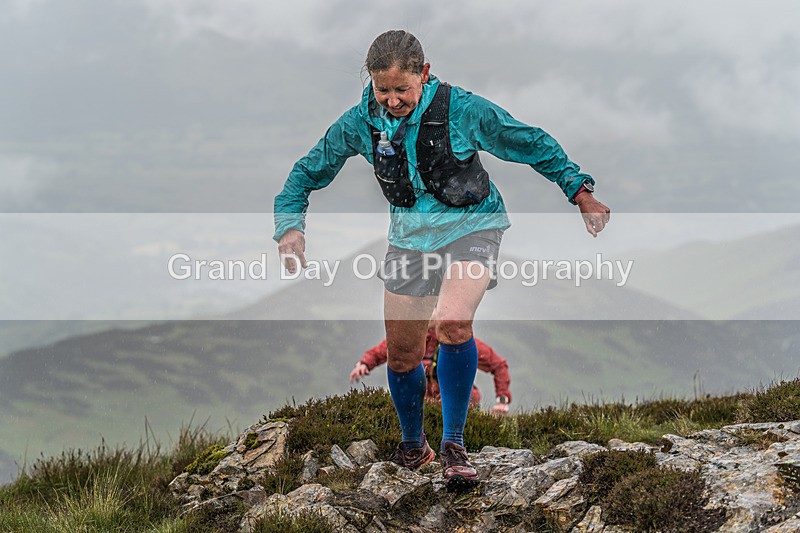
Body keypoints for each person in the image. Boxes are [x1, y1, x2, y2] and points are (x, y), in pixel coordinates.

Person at [274, 30, 610, 487]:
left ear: (424, 74)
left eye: (402, 90)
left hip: (474, 226)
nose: (392, 100)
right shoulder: (360, 123)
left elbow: (528, 141)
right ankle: (415, 447)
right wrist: (290, 225)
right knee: (402, 355)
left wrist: (580, 191)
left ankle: (454, 445)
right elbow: (307, 171)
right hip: (410, 239)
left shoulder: (462, 110)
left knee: (452, 322)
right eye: (382, 90)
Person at [350, 324, 512, 416]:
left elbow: (498, 365)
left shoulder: (459, 341)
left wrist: (502, 401)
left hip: (460, 406)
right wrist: (364, 364)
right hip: (422, 405)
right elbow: (382, 351)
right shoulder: (411, 338)